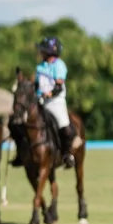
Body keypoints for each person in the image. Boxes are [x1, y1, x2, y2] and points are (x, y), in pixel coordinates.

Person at [35, 36, 80, 169]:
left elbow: (58, 87)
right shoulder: (40, 67)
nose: (41, 52)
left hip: (56, 102)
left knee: (65, 127)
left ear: (50, 52)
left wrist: (47, 95)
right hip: (40, 102)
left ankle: (67, 154)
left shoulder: (59, 65)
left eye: (43, 50)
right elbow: (37, 85)